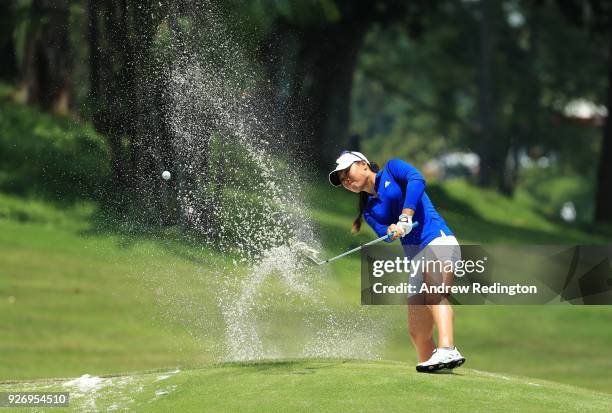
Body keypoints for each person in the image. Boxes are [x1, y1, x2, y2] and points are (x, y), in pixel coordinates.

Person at [328, 150, 466, 372]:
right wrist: (393, 230)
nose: (345, 179)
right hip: (416, 260)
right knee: (417, 331)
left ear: (363, 164)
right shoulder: (369, 210)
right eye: (342, 179)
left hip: (437, 241)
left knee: (434, 293)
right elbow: (386, 231)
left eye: (347, 172)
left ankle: (448, 348)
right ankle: (437, 372)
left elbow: (417, 179)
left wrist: (405, 216)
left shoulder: (393, 169)